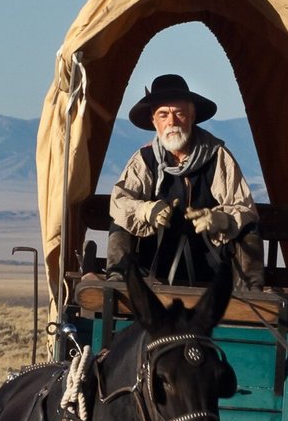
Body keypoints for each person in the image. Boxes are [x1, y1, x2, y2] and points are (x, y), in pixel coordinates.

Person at [106, 73, 263, 288]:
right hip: (155, 267)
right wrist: (145, 211)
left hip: (212, 268)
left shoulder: (217, 156)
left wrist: (221, 219)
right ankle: (116, 286)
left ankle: (252, 294)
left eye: (179, 113)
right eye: (163, 115)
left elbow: (245, 209)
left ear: (192, 115)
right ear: (154, 121)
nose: (172, 122)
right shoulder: (144, 159)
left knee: (248, 227)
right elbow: (120, 202)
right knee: (121, 219)